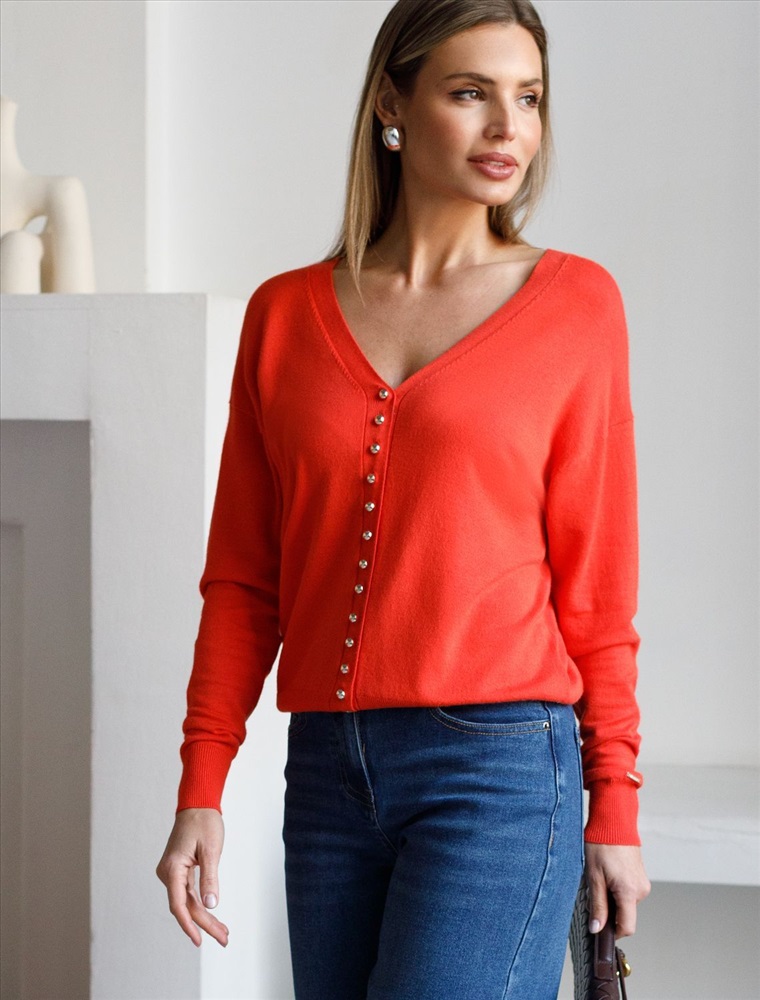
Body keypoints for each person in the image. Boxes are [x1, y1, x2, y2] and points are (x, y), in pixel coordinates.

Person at [156, 1, 651, 996]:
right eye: (471, 93)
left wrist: (616, 806)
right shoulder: (284, 315)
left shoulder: (576, 305)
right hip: (326, 774)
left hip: (500, 773)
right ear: (392, 102)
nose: (508, 127)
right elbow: (245, 579)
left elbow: (597, 589)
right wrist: (201, 784)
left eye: (529, 98)